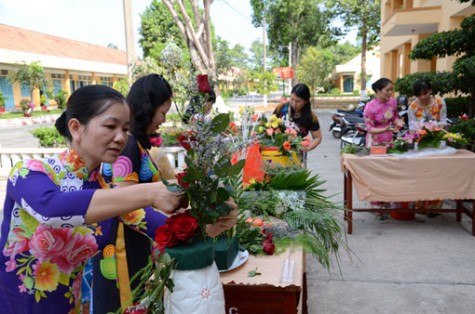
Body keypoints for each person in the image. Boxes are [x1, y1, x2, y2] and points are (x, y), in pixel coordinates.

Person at [0, 85, 185, 313]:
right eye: (110, 126)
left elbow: (168, 229)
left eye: (126, 128)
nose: (121, 137)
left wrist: (210, 217)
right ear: (76, 128)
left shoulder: (107, 194)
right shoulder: (30, 172)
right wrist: (151, 192)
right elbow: (51, 208)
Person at [93, 75, 236, 313]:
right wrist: (175, 228)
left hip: (135, 243)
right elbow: (124, 205)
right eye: (163, 111)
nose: (164, 119)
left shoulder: (136, 146)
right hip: (122, 249)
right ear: (148, 108)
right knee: (125, 304)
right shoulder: (128, 145)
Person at [273, 83, 323, 153]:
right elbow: (270, 126)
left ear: (305, 101)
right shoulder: (281, 108)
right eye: (292, 99)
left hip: (297, 155)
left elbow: (317, 137)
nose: (294, 103)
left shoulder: (311, 117)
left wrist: (308, 147)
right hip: (277, 151)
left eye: (298, 101)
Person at [364, 77, 405, 147]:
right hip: (374, 141)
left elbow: (394, 117)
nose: (390, 92)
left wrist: (399, 122)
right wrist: (384, 130)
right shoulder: (370, 107)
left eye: (391, 90)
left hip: (388, 139)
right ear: (378, 91)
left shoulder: (392, 102)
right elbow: (369, 129)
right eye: (387, 90)